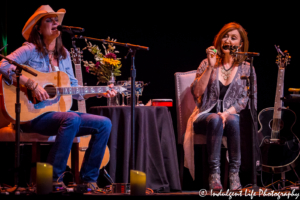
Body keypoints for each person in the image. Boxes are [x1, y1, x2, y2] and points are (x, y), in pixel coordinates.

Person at [0, 5, 117, 191]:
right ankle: (52, 180)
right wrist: (31, 84)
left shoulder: (64, 55)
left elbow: (74, 90)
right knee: (71, 118)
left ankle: (88, 180)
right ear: (38, 28)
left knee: (104, 123)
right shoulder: (30, 49)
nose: (55, 23)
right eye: (49, 20)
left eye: (56, 20)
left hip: (57, 116)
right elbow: (3, 64)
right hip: (32, 115)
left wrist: (99, 92)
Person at [183, 22, 258, 190]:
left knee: (231, 119)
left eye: (233, 38)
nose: (228, 40)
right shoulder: (207, 63)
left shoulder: (247, 69)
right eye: (225, 36)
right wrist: (210, 66)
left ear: (240, 44)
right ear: (219, 40)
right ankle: (214, 174)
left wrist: (226, 113)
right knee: (216, 119)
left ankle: (234, 174)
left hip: (231, 118)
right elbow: (196, 92)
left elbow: (245, 100)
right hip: (205, 116)